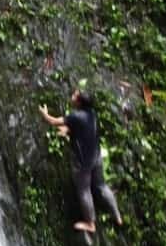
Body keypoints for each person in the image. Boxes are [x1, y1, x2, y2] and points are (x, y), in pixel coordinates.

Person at [39, 88, 123, 234]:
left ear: (78, 102)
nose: (72, 96)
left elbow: (52, 121)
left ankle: (90, 223)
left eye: (74, 96)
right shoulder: (91, 114)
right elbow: (83, 129)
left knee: (84, 190)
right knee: (101, 186)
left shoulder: (75, 116)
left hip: (83, 162)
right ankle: (117, 215)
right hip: (96, 157)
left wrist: (44, 113)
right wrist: (68, 131)